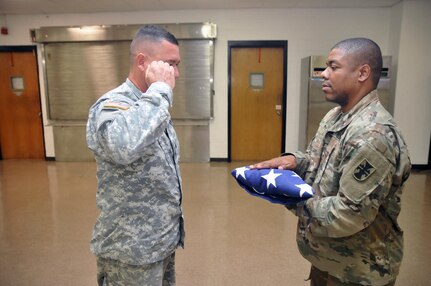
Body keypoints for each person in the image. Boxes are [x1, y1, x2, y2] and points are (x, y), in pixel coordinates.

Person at [250, 38, 411, 286]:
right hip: (329, 258)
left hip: (358, 270)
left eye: (333, 67)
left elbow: (348, 215)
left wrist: (293, 197)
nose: (324, 74)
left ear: (362, 73)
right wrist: (293, 161)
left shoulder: (372, 135)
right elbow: (317, 160)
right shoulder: (336, 115)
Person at [86, 25, 184, 286]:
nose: (176, 73)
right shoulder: (114, 104)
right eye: (170, 63)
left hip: (160, 242)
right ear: (142, 62)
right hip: (130, 251)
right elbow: (122, 146)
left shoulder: (153, 102)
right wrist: (161, 90)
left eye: (177, 65)